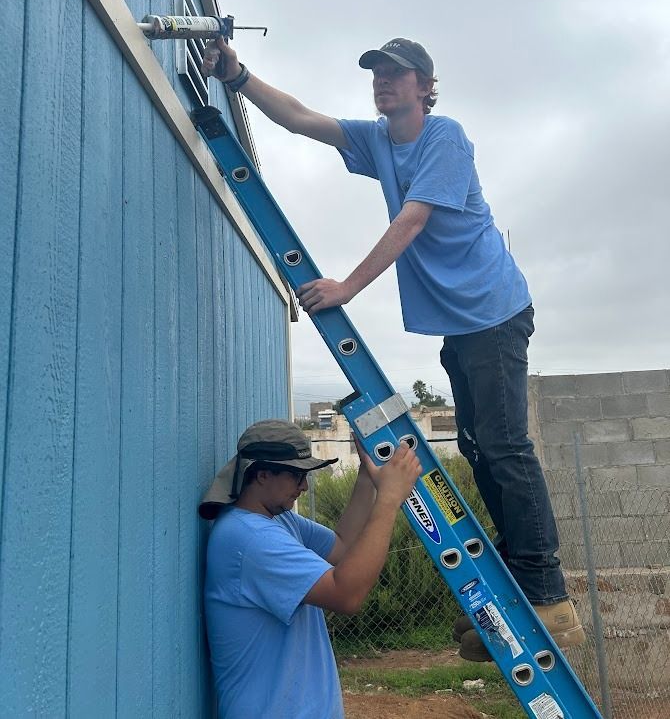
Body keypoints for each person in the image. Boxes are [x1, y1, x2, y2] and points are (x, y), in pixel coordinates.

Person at [201, 37, 584, 662]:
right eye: (377, 74)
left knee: (506, 444)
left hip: (494, 311)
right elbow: (302, 118)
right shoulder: (377, 138)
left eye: (397, 75)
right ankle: (519, 587)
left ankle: (547, 594)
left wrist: (347, 286)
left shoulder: (445, 137)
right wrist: (238, 75)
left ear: (425, 84)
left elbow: (411, 220)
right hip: (461, 326)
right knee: (480, 446)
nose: (384, 83)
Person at [199, 419, 421, 718]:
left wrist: (367, 477)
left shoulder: (277, 520)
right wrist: (390, 499)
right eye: (296, 475)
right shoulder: (250, 539)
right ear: (262, 474)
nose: (304, 485)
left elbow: (342, 548)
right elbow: (347, 594)